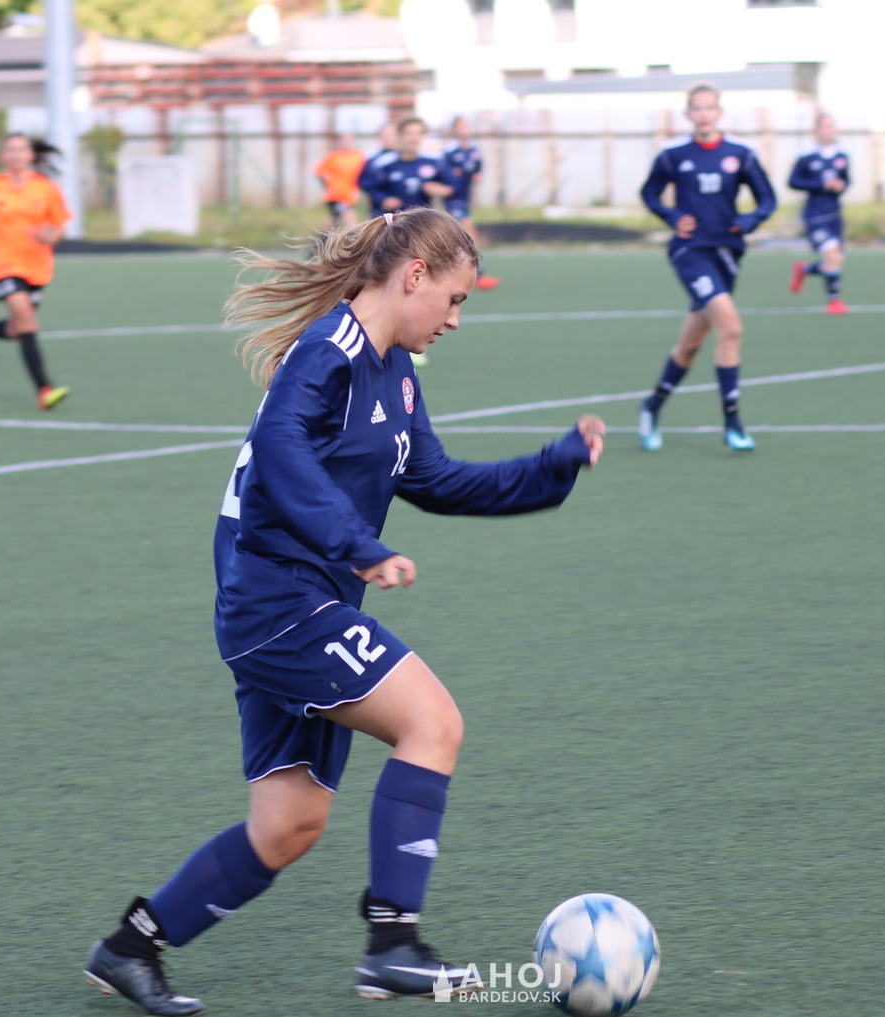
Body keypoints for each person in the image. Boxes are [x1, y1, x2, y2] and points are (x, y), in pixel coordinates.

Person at [82, 207, 605, 1016]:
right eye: (455, 299)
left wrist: (553, 465)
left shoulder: (396, 372)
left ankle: (129, 948)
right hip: (278, 604)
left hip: (300, 605)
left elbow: (437, 480)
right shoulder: (326, 351)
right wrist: (355, 542)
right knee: (433, 722)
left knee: (288, 824)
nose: (456, 319)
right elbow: (280, 451)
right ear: (415, 275)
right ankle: (393, 944)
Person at [638, 84, 777, 453]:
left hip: (727, 253)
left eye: (709, 108)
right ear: (688, 114)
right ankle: (733, 424)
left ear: (719, 112)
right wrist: (671, 216)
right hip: (690, 252)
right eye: (697, 109)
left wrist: (749, 221)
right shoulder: (673, 154)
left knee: (690, 345)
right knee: (731, 328)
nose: (703, 114)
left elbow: (768, 199)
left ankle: (651, 406)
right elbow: (649, 193)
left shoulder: (740, 153)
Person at [0, 134, 71, 410]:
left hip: (36, 267)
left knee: (18, 328)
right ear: (2, 156)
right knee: (28, 323)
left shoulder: (46, 188)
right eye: (10, 150)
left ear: (31, 155)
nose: (16, 154)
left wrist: (49, 238)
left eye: (22, 149)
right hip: (3, 265)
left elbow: (59, 227)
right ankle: (44, 390)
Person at [788, 112, 850, 315]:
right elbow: (793, 182)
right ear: (816, 131)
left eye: (830, 126)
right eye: (823, 126)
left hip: (834, 215)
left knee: (836, 259)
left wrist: (841, 185)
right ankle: (834, 301)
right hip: (814, 216)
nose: (827, 131)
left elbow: (846, 180)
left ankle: (804, 269)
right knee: (832, 255)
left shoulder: (842, 156)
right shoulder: (806, 157)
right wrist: (821, 184)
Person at [439, 116, 499, 290]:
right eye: (462, 126)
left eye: (467, 125)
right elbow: (444, 174)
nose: (466, 129)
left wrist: (473, 180)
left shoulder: (474, 149)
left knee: (456, 236)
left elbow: (476, 171)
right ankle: (478, 274)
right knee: (468, 232)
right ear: (455, 130)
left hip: (465, 197)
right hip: (453, 198)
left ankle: (457, 272)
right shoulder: (450, 151)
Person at [357, 118, 452, 217]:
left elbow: (451, 185)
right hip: (389, 220)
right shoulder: (382, 163)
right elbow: (369, 186)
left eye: (418, 133)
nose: (414, 138)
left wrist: (441, 189)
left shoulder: (433, 161)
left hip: (421, 220)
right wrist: (383, 199)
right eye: (409, 133)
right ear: (399, 136)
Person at [314, 131, 365, 228]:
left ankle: (322, 237)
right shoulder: (334, 157)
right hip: (336, 196)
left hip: (349, 197)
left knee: (335, 220)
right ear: (340, 142)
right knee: (350, 218)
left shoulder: (359, 156)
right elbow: (318, 172)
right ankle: (354, 237)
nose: (346, 143)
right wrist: (327, 186)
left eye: (349, 141)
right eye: (344, 141)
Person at [358, 122, 399, 219]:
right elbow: (365, 184)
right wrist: (382, 199)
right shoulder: (371, 159)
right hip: (380, 211)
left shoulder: (406, 157)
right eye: (385, 135)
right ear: (380, 137)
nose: (389, 138)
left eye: (392, 135)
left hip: (406, 210)